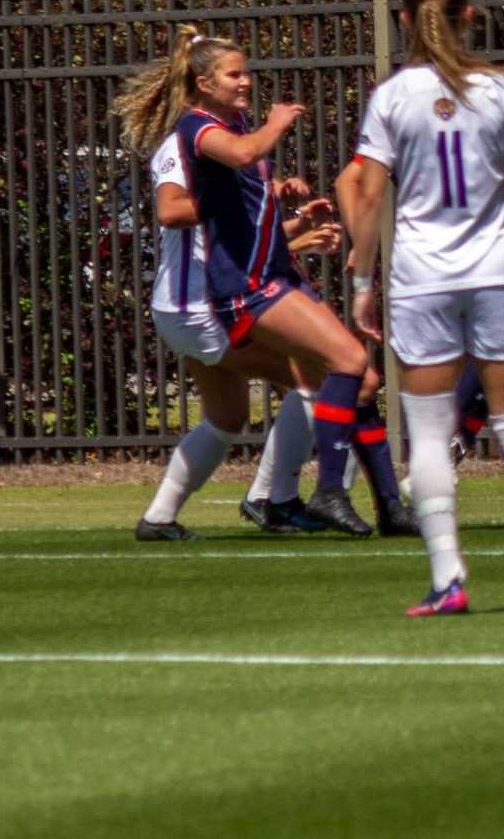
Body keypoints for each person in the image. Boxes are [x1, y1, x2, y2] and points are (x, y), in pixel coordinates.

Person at [339, 0, 504, 617]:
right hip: (497, 268)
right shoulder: (503, 89)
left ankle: (448, 577)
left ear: (406, 21)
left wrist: (362, 279)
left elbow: (364, 195)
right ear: (471, 16)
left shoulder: (392, 96)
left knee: (427, 426)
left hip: (422, 277)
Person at [117, 26, 401, 540]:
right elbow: (171, 210)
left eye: (247, 72)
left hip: (202, 300)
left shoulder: (233, 130)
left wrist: (290, 227)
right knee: (328, 376)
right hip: (196, 304)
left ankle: (158, 519)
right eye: (236, 74)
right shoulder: (188, 139)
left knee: (227, 418)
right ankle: (280, 498)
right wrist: (256, 188)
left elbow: (234, 228)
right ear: (203, 82)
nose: (247, 82)